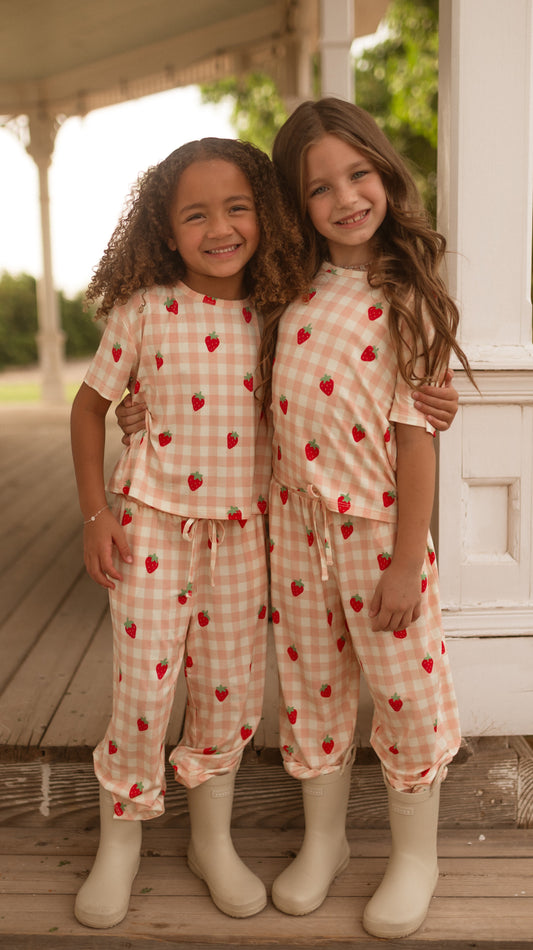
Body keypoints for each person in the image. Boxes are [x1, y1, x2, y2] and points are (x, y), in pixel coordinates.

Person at [70, 137, 307, 929]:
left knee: (228, 690)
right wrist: (95, 514)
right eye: (196, 214)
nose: (219, 227)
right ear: (165, 231)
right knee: (143, 686)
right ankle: (122, 844)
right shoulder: (145, 309)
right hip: (152, 528)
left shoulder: (281, 316)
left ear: (266, 217)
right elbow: (88, 406)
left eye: (237, 207)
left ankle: (211, 841)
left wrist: (428, 395)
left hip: (243, 534)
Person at [256, 97, 476, 939]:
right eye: (320, 188)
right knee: (311, 688)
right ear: (295, 204)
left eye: (359, 174)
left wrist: (400, 561)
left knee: (402, 693)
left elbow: (415, 443)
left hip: (379, 538)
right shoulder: (284, 293)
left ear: (384, 174)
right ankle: (324, 840)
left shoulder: (404, 296)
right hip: (293, 534)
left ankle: (416, 854)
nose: (346, 198)